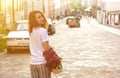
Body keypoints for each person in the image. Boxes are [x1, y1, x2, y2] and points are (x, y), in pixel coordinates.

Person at [28, 10, 51, 78]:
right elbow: (46, 48)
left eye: (42, 16)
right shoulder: (42, 31)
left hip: (33, 63)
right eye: (39, 17)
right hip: (42, 62)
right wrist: (51, 47)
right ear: (34, 20)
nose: (42, 18)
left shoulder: (31, 31)